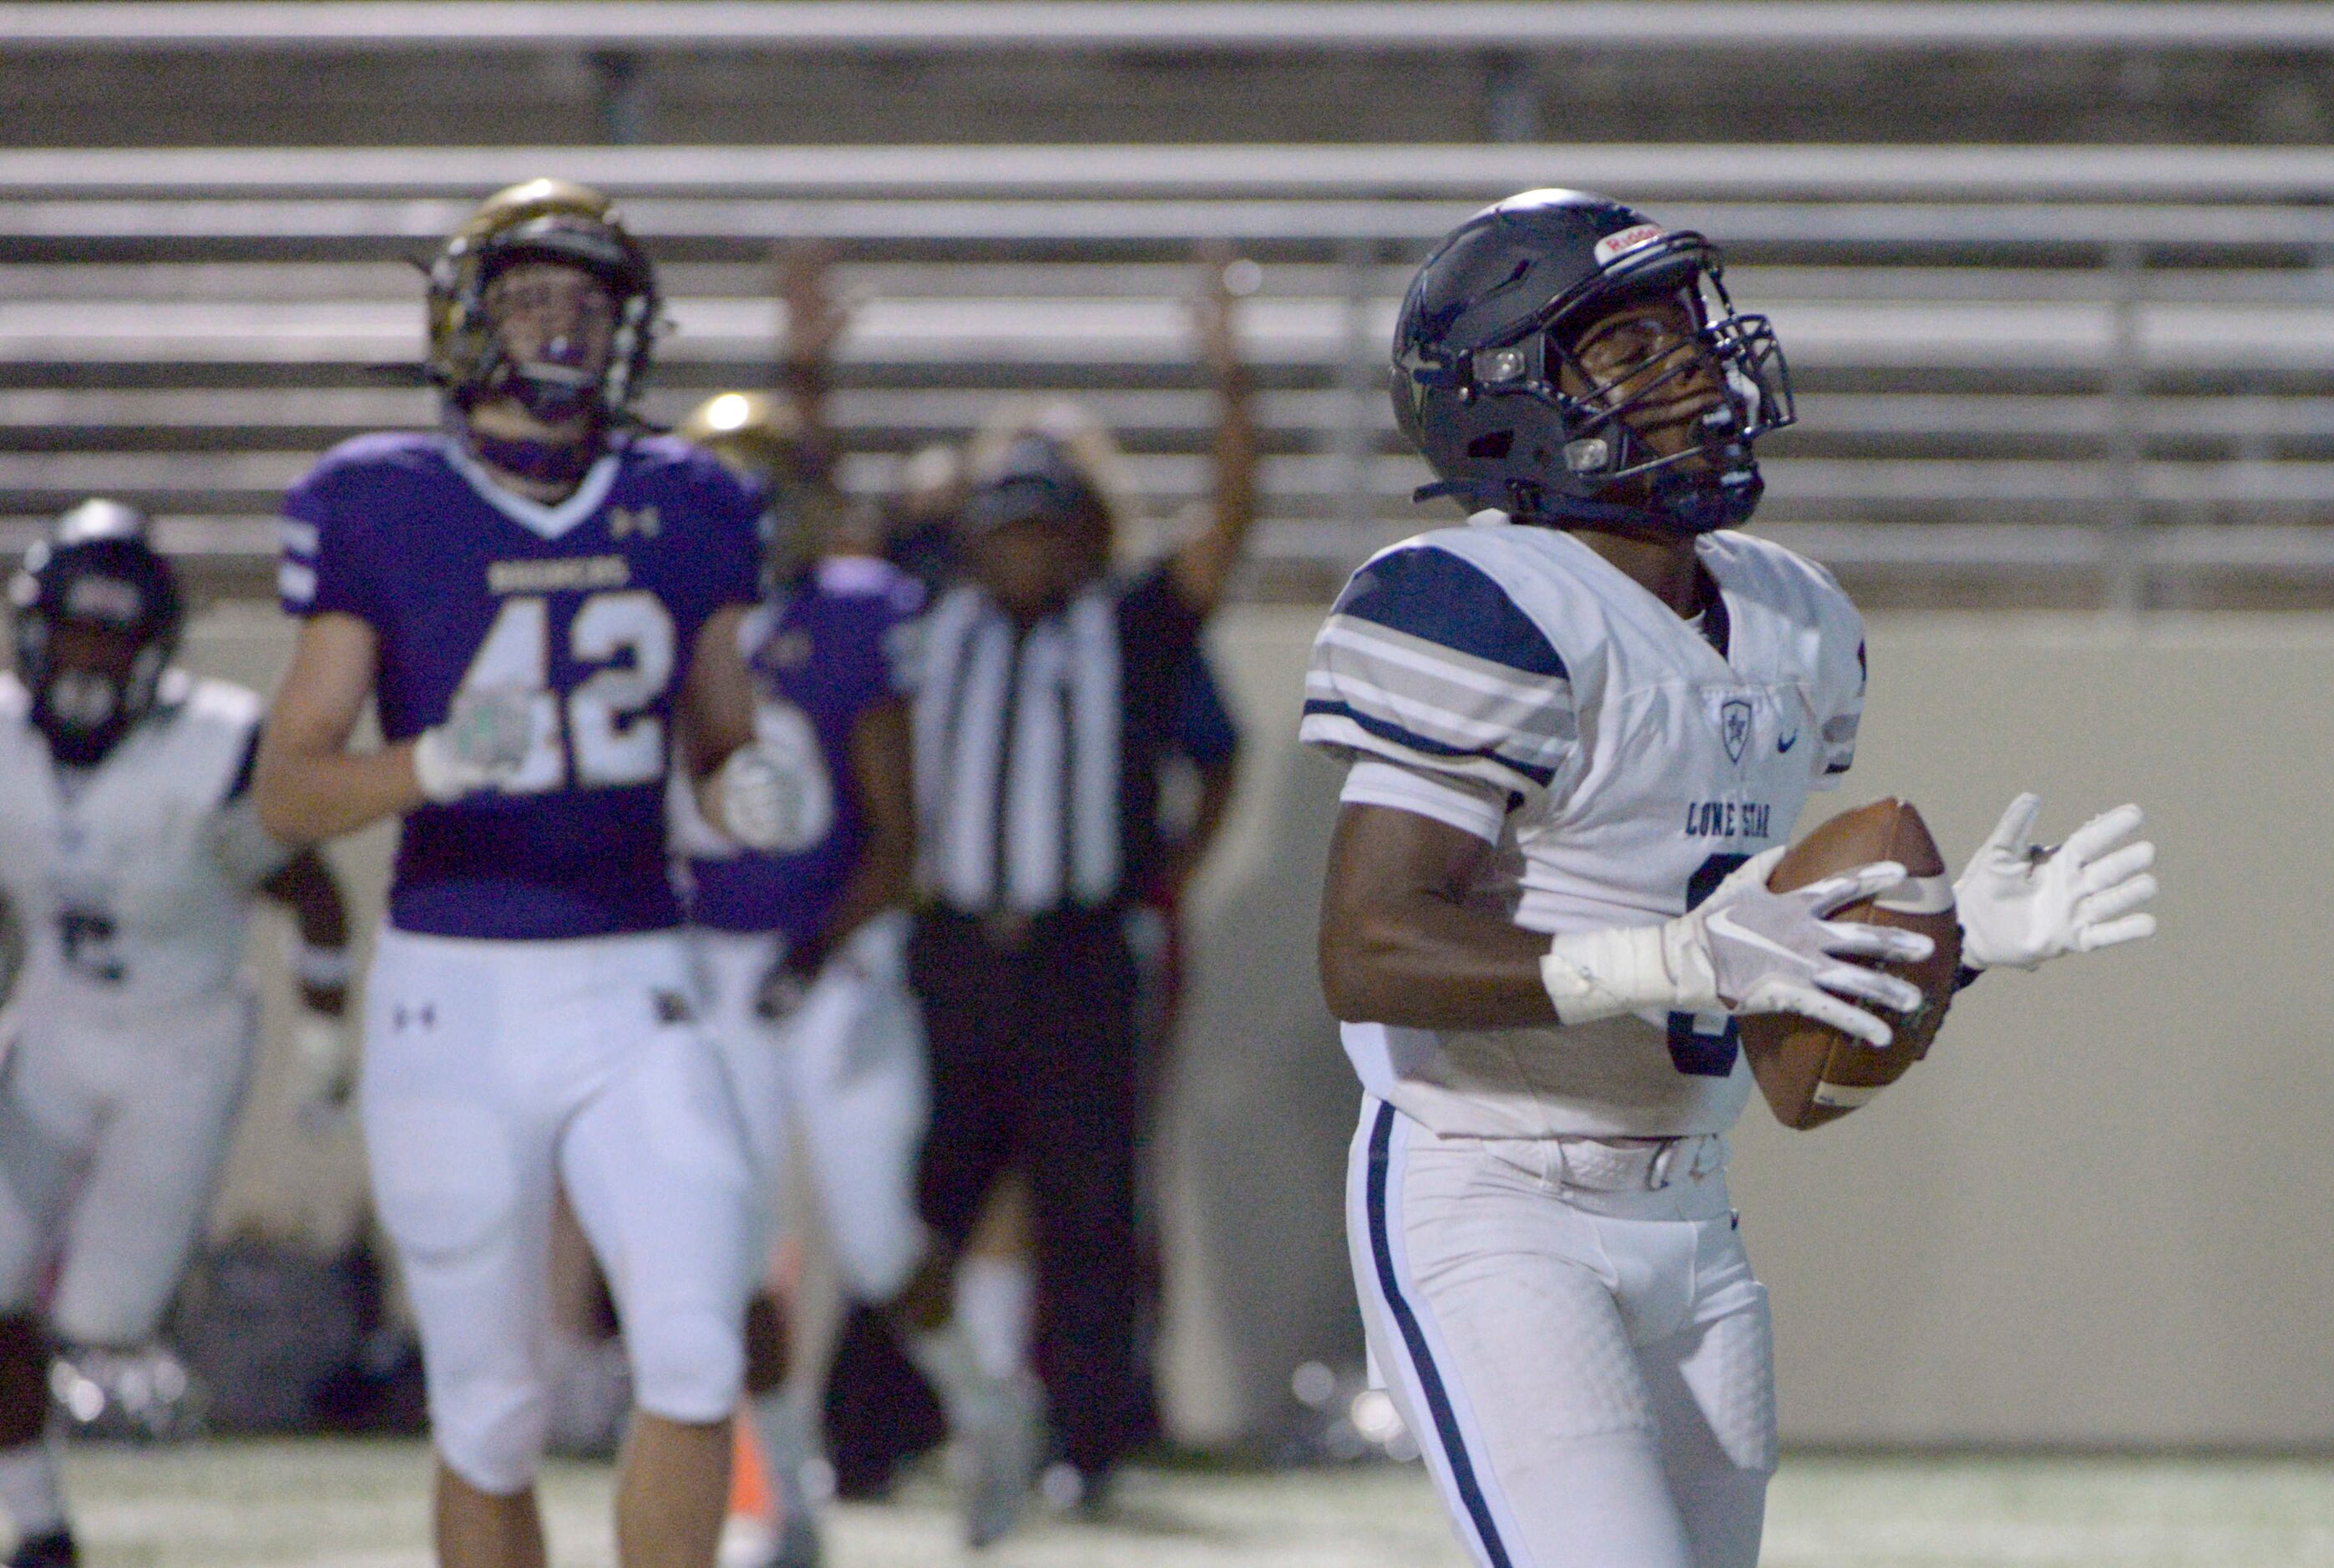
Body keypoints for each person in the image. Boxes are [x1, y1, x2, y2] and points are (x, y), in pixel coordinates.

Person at [1303, 190, 2162, 1568]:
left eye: (1686, 333)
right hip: (1492, 1198)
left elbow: (1763, 952)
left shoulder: (1791, 616)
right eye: (1628, 351)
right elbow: (1368, 946)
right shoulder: (1476, 602)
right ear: (1508, 401)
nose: (1693, 366)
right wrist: (1672, 959)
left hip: (1693, 1215)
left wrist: (1953, 940)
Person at [254, 180, 803, 1568]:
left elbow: (719, 743)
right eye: (530, 295)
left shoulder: (690, 499)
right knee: (490, 1411)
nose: (560, 327)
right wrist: (430, 766)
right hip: (454, 988)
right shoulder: (375, 499)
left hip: (638, 975)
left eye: (587, 301)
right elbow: (289, 786)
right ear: (464, 316)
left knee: (691, 1342)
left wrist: (749, 792)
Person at [904, 251, 1258, 1519]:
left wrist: (1230, 380)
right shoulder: (923, 616)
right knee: (915, 1193)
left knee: (1089, 1202)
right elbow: (819, 521)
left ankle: (1087, 1442)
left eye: (1044, 527)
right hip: (947, 945)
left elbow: (1224, 532)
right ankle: (880, 1429)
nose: (1020, 551)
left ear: (1078, 535)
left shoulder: (1122, 626)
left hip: (1073, 951)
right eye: (1002, 526)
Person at [672, 372, 1036, 1560]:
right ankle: (784, 1493)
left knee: (879, 1241)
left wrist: (814, 947)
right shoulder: (663, 621)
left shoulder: (849, 614)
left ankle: (988, 1409)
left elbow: (895, 835)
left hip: (838, 965)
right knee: (724, 1247)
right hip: (702, 964)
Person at [0, 500, 352, 1568]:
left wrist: (327, 1035)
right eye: (71, 628)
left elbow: (313, 888)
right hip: (56, 1021)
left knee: (107, 1316)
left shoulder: (215, 747)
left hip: (181, 1041)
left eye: (111, 634)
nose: (85, 657)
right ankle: (40, 1524)